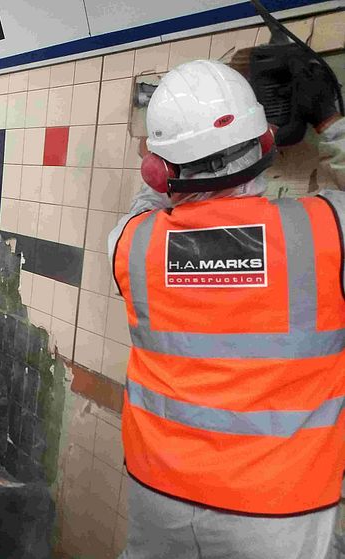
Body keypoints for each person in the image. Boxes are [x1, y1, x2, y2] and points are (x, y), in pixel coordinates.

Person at [110, 59, 345, 559]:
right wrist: (331, 120)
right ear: (268, 142)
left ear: (158, 169)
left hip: (160, 493)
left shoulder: (132, 245)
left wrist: (168, 165)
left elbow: (148, 198)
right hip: (280, 508)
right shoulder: (329, 232)